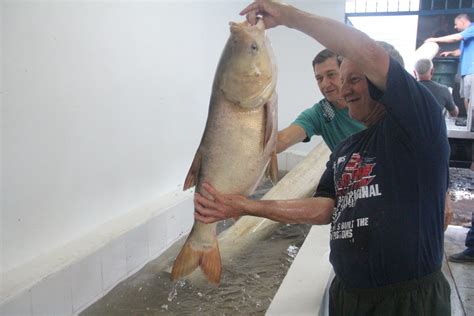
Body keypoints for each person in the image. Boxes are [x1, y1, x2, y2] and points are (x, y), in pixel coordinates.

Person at [194, 1, 451, 315]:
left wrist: (289, 17)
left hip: (407, 301)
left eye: (352, 79)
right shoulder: (345, 149)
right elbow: (324, 207)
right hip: (348, 297)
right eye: (339, 81)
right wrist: (246, 205)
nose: (343, 90)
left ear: (386, 82)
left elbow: (368, 52)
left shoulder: (416, 124)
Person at [277, 49, 365, 153]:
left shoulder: (373, 103)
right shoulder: (323, 113)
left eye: (331, 75)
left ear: (345, 72)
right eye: (319, 78)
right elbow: (283, 140)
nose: (325, 84)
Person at [425, 14, 474, 117]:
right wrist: (450, 53)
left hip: (472, 70)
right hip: (466, 71)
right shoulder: (467, 35)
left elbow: (455, 38)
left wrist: (435, 39)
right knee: (466, 97)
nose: (455, 27)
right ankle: (471, 123)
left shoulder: (472, 28)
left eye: (456, 24)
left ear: (462, 21)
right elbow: (461, 51)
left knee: (471, 98)